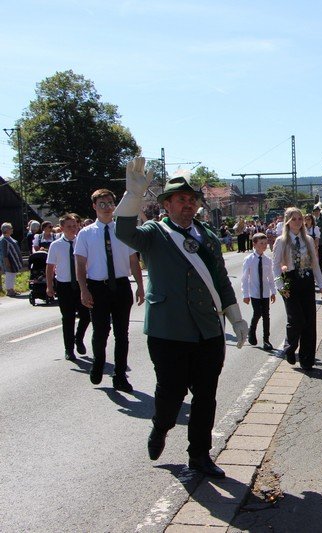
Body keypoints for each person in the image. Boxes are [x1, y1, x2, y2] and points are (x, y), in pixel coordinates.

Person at [114, 158, 250, 478]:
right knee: (171, 395)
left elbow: (220, 281)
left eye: (192, 199)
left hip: (207, 331)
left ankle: (199, 455)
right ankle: (161, 426)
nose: (188, 204)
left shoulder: (208, 237)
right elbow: (124, 232)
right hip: (168, 331)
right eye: (181, 199)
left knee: (205, 396)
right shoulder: (154, 234)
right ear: (167, 204)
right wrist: (132, 196)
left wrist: (235, 318)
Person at [75, 189, 145, 392]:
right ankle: (98, 363)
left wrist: (140, 286)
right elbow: (80, 264)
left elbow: (134, 261)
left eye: (110, 203)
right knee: (100, 331)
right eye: (102, 204)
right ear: (94, 207)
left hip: (121, 286)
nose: (106, 208)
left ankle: (120, 376)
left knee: (122, 334)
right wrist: (83, 289)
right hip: (98, 287)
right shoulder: (86, 233)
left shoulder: (123, 231)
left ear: (115, 206)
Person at [273, 207, 322, 370]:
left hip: (307, 279)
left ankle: (307, 359)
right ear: (287, 222)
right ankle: (290, 348)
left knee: (309, 321)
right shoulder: (281, 241)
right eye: (294, 219)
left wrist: (321, 284)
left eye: (300, 219)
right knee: (296, 319)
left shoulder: (308, 240)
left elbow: (315, 264)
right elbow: (275, 266)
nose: (298, 222)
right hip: (290, 281)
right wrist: (280, 286)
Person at [45, 213, 90, 360]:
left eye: (74, 226)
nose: (72, 228)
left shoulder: (82, 242)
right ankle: (69, 350)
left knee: (86, 316)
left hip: (81, 284)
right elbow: (50, 267)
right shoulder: (56, 245)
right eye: (69, 226)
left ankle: (79, 338)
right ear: (62, 228)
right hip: (64, 285)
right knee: (68, 318)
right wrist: (49, 286)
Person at [242, 232, 277, 351]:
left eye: (265, 243)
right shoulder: (249, 260)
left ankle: (266, 340)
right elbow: (244, 278)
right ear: (254, 244)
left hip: (265, 292)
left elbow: (271, 277)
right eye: (261, 243)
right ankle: (252, 331)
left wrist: (273, 291)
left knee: (266, 315)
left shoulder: (268, 260)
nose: (264, 245)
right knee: (257, 313)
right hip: (254, 292)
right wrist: (245, 294)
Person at [1, 222, 23, 296]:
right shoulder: (3, 239)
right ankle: (9, 290)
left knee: (12, 275)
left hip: (13, 260)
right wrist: (7, 262)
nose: (12, 229)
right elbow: (4, 253)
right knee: (9, 275)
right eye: (11, 228)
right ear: (6, 230)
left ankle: (12, 289)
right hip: (9, 260)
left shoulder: (9, 237)